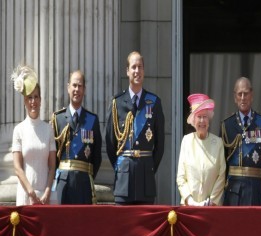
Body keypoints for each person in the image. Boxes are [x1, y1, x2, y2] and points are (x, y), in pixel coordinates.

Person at [105, 51, 165, 205]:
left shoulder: (154, 102)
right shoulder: (117, 103)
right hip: (123, 181)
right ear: (127, 71)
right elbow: (111, 143)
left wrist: (149, 168)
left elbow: (160, 145)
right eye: (133, 67)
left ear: (144, 71)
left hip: (146, 180)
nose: (137, 71)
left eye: (140, 67)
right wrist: (121, 168)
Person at [50, 70, 102, 204]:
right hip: (63, 183)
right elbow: (52, 154)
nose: (76, 89)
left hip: (84, 184)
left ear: (84, 89)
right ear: (68, 88)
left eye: (80, 86)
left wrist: (87, 176)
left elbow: (97, 156)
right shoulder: (58, 119)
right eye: (74, 85)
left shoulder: (92, 119)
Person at [221, 77, 261, 205]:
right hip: (233, 190)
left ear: (251, 95)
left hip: (256, 188)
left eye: (246, 93)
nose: (243, 97)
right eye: (239, 94)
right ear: (235, 97)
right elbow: (222, 164)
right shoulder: (226, 125)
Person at [10, 64, 57, 206]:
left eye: (36, 97)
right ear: (25, 101)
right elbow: (18, 168)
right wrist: (30, 192)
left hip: (45, 197)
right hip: (25, 195)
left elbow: (52, 167)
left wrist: (48, 190)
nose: (33, 101)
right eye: (29, 98)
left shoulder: (48, 129)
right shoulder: (19, 130)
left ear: (40, 100)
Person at [177, 93, 226, 206]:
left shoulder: (218, 143)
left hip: (212, 208)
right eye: (199, 117)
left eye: (205, 117)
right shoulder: (186, 141)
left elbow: (221, 175)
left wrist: (212, 201)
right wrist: (190, 201)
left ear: (209, 120)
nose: (202, 121)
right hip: (189, 207)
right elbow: (181, 177)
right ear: (194, 121)